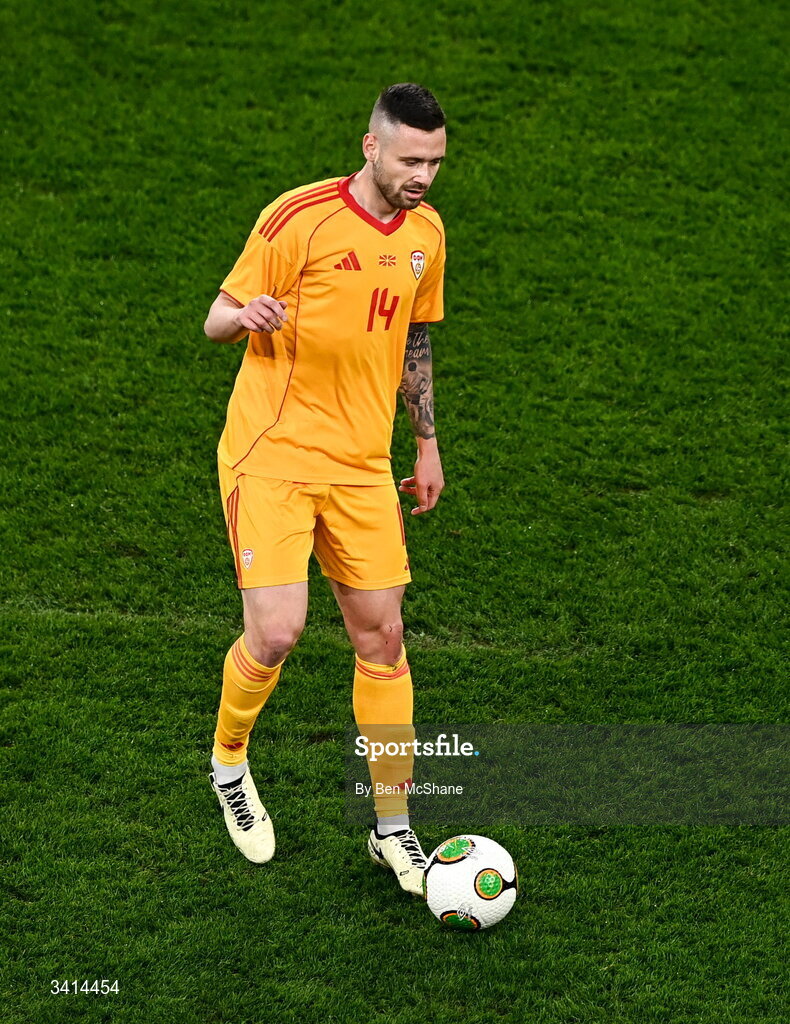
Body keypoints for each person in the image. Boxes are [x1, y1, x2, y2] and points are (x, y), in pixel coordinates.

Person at [203, 83, 447, 896]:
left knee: (383, 641)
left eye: (436, 162)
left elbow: (414, 332)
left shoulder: (426, 233)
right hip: (271, 455)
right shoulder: (297, 217)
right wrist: (249, 317)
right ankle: (229, 762)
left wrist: (425, 439)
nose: (423, 176)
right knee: (276, 633)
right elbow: (216, 316)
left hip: (359, 467)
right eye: (411, 159)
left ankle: (394, 830)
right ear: (371, 146)